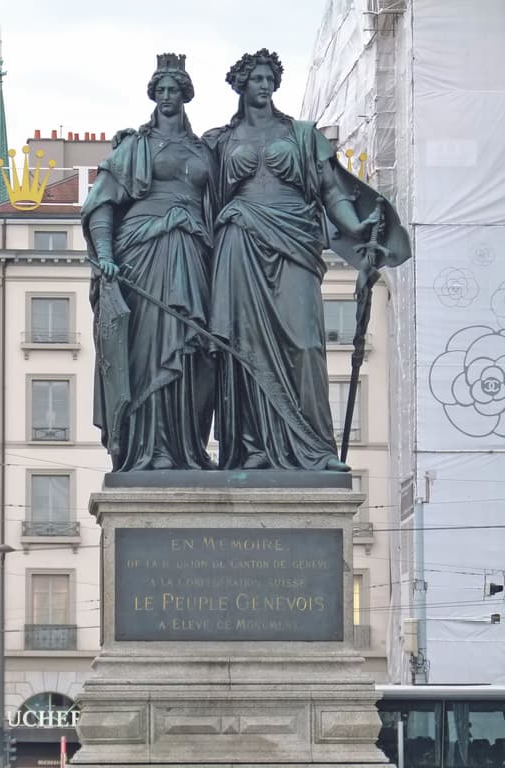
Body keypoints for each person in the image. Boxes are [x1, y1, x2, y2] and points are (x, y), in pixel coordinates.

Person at [203, 49, 410, 471]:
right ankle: (251, 447)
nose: (264, 86)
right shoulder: (219, 141)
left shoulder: (302, 133)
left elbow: (332, 190)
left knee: (306, 343)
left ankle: (314, 450)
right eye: (257, 79)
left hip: (294, 238)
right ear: (242, 85)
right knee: (242, 346)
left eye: (269, 79)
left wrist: (354, 227)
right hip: (239, 237)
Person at [82, 54, 216, 471]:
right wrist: (105, 255)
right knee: (150, 349)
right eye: (161, 90)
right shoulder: (134, 146)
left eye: (175, 90)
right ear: (153, 96)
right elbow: (102, 203)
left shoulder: (204, 149)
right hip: (143, 251)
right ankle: (150, 447)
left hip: (193, 251)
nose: (167, 97)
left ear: (186, 95)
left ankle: (187, 448)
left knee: (191, 347)